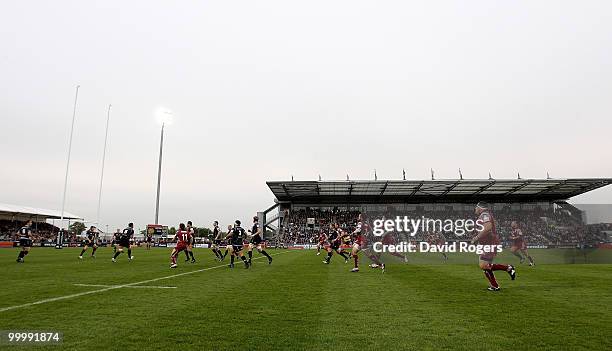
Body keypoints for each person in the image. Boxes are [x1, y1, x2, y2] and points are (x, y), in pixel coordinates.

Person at [471, 202, 516, 291]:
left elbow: (488, 228)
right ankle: (495, 286)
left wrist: (476, 238)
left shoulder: (484, 215)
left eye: (476, 207)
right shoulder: (485, 215)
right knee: (485, 266)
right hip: (487, 243)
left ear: (480, 208)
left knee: (483, 265)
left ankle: (508, 268)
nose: (475, 209)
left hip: (490, 243)